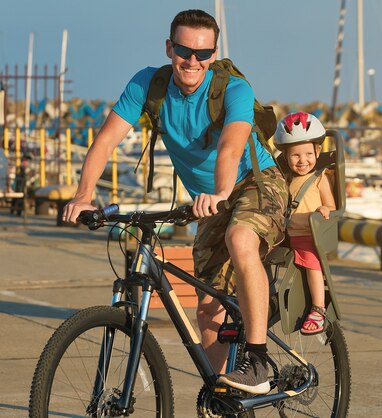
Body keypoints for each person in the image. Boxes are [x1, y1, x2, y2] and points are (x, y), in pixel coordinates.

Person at [62, 9, 288, 395]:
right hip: (210, 199)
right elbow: (106, 140)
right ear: (170, 47)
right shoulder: (149, 85)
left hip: (256, 183)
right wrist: (84, 195)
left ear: (213, 54)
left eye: (203, 53)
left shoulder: (233, 89)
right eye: (184, 50)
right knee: (207, 308)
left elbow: (231, 148)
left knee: (240, 240)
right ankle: (220, 392)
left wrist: (219, 193)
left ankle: (259, 358)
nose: (192, 61)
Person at [273, 112, 336, 334]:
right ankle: (269, 298)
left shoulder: (320, 178)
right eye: (295, 156)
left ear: (318, 152)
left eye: (308, 154)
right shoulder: (286, 179)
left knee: (312, 264)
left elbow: (331, 205)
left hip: (310, 236)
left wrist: (324, 209)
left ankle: (318, 309)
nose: (302, 160)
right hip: (287, 236)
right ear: (286, 156)